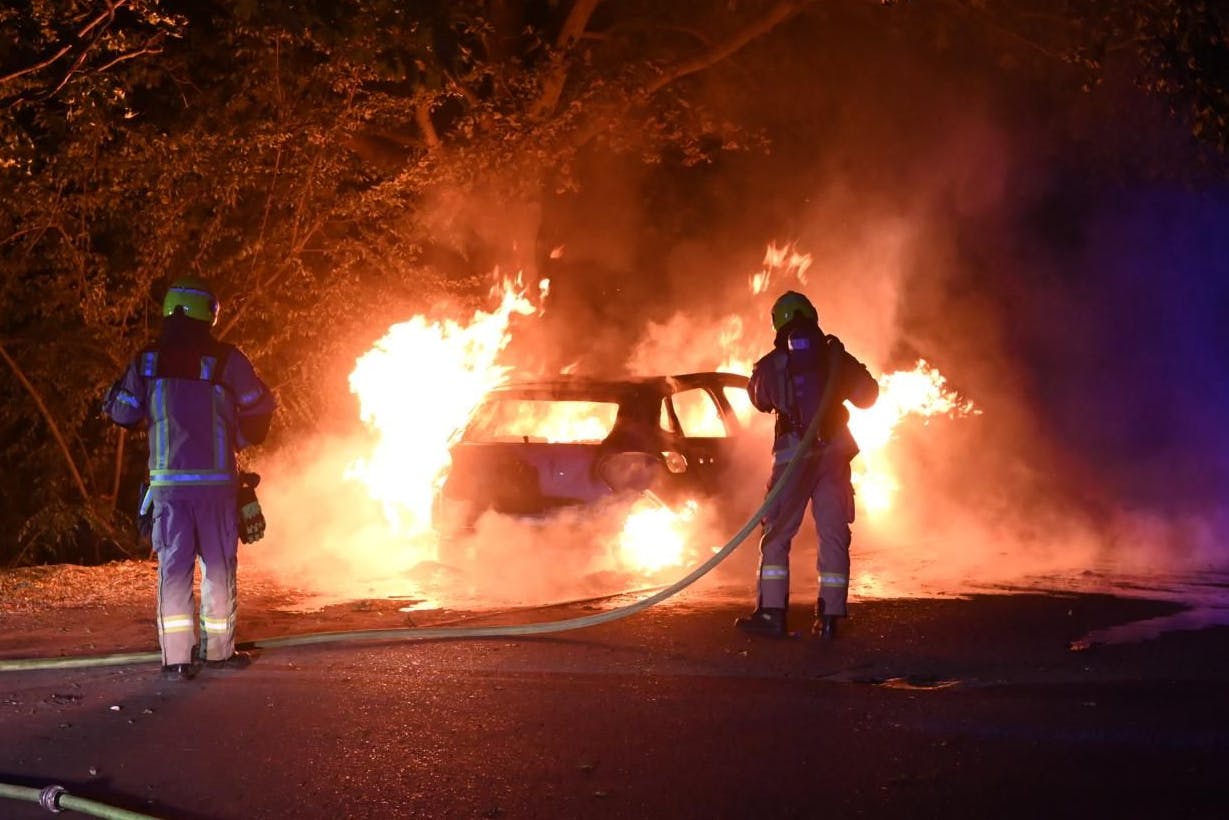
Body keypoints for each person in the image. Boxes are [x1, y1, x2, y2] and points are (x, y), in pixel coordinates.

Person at [104, 276, 276, 680]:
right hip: (216, 488)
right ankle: (218, 653)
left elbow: (122, 413)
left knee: (174, 571)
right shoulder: (227, 361)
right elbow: (260, 408)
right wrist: (240, 436)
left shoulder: (146, 362)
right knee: (218, 568)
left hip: (169, 490)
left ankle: (176, 659)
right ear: (209, 315)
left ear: (168, 311)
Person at [735, 290, 879, 640]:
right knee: (832, 534)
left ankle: (772, 613)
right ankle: (829, 618)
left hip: (792, 458)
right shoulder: (835, 356)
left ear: (778, 322)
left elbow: (759, 400)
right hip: (834, 455)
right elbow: (868, 395)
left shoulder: (772, 362)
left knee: (777, 535)